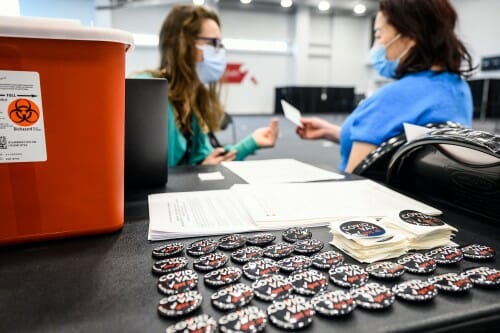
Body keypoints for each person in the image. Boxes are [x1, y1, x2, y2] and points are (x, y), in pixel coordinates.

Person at [296, 0, 474, 173]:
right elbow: (394, 143)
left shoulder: (392, 98)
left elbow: (353, 185)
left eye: (378, 35)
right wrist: (331, 132)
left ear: (410, 37)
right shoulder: (459, 89)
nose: (376, 46)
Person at [134, 4, 278, 166]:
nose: (220, 51)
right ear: (183, 45)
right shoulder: (146, 91)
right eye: (213, 43)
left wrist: (252, 142)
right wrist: (197, 171)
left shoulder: (192, 99)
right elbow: (145, 173)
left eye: (220, 44)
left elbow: (209, 158)